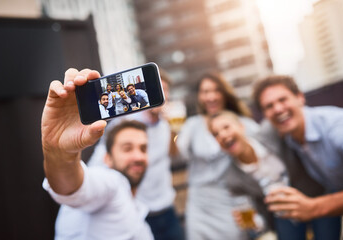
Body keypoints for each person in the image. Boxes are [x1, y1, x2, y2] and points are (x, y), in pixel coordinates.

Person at [41, 68, 153, 240]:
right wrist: (61, 152)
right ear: (107, 159)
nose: (138, 156)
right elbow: (71, 187)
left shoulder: (137, 206)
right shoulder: (111, 184)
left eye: (143, 148)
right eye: (127, 148)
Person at [82, 70, 185, 240]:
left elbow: (173, 155)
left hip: (167, 209)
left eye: (165, 89)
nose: (161, 92)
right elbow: (97, 164)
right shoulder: (123, 125)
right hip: (139, 212)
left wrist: (174, 130)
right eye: (157, 87)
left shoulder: (166, 125)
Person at [253, 75, 343, 240]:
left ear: (300, 97)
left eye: (282, 99)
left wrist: (314, 207)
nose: (278, 109)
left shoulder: (338, 125)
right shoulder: (289, 138)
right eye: (269, 106)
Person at [176, 71, 260, 240]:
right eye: (205, 92)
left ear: (224, 93)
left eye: (216, 90)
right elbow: (179, 153)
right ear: (199, 96)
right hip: (200, 203)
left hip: (234, 200)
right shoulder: (192, 125)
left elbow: (261, 156)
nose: (211, 96)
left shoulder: (242, 124)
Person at [208, 110, 287, 237]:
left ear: (241, 126)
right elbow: (256, 219)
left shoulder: (269, 136)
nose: (222, 135)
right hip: (281, 216)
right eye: (215, 134)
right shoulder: (232, 179)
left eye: (226, 127)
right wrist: (253, 222)